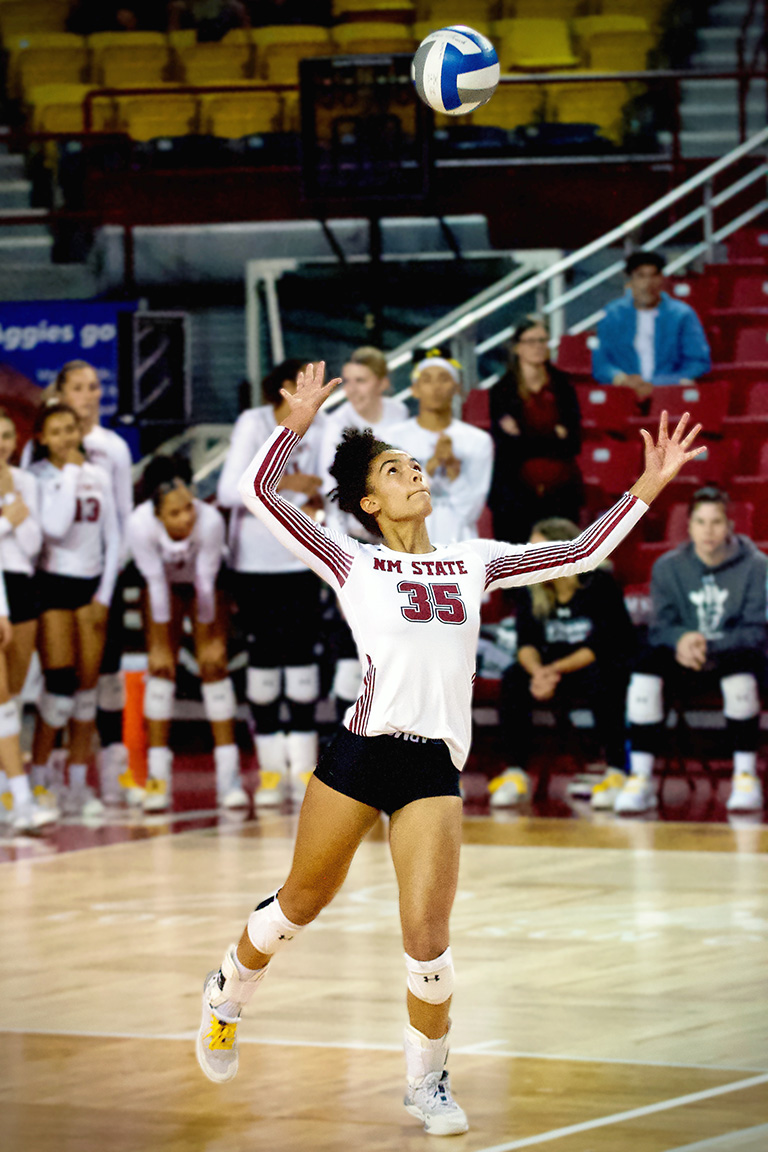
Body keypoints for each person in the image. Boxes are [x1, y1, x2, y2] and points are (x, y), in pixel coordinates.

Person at [195, 361, 703, 1136]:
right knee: (301, 902)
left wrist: (649, 484)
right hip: (361, 751)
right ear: (370, 502)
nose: (414, 474)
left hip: (432, 763)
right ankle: (228, 992)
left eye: (417, 465)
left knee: (427, 940)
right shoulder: (353, 560)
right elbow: (259, 496)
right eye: (397, 470)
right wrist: (291, 426)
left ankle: (425, 1084)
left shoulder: (473, 559)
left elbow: (583, 553)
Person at [615, 485, 767, 816]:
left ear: (730, 526)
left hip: (731, 653)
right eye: (701, 522)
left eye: (716, 522)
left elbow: (757, 631)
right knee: (644, 668)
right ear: (689, 527)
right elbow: (660, 628)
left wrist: (708, 645)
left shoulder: (757, 566)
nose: (708, 531)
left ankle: (745, 776)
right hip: (683, 656)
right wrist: (682, 640)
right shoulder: (667, 567)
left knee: (743, 670)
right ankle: (640, 779)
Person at [24, 362, 136, 806]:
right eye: (78, 388)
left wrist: (104, 595)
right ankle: (38, 777)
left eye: (94, 388)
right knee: (58, 689)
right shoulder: (39, 473)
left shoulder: (104, 466)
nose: (69, 437)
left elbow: (115, 530)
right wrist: (71, 471)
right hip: (52, 585)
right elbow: (49, 530)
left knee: (89, 692)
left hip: (94, 588)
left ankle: (77, 781)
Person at [217, 360, 325, 808]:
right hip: (255, 562)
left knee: (301, 668)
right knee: (262, 666)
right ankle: (267, 771)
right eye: (297, 388)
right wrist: (289, 479)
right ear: (278, 391)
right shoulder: (252, 423)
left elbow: (329, 488)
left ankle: (303, 770)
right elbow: (228, 492)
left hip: (300, 559)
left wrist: (317, 495)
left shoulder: (322, 427)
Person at [489, 517, 636, 810]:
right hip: (550, 668)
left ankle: (617, 770)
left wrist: (553, 671)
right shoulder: (530, 587)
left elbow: (602, 645)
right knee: (513, 679)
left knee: (605, 678)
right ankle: (516, 772)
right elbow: (525, 643)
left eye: (540, 550)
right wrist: (538, 673)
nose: (532, 558)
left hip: (593, 663)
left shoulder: (599, 582)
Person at [128, 455, 247, 813]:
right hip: (162, 586)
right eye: (174, 512)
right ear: (156, 511)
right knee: (161, 669)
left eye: (188, 507)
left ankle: (230, 779)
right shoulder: (139, 525)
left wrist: (209, 642)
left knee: (213, 665)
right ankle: (157, 780)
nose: (185, 518)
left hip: (204, 585)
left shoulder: (208, 521)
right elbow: (155, 585)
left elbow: (206, 584)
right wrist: (162, 645)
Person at [319, 346, 409, 718]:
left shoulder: (400, 414)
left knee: (397, 643)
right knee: (352, 642)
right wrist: (341, 558)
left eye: (362, 381)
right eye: (349, 381)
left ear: (383, 383)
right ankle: (342, 747)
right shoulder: (335, 423)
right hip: (356, 545)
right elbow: (330, 494)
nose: (353, 389)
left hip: (396, 544)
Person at [488, 315, 583, 545]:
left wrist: (524, 434)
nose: (539, 347)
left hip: (561, 492)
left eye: (543, 340)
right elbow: (509, 449)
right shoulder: (501, 391)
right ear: (518, 346)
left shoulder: (563, 386)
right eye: (531, 341)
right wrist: (553, 434)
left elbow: (574, 442)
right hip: (515, 494)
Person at [387, 347, 493, 544]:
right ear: (414, 389)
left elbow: (470, 512)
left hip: (460, 545)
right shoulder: (394, 438)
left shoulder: (477, 440)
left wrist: (453, 470)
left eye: (444, 379)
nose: (436, 387)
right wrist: (432, 467)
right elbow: (394, 504)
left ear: (456, 387)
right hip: (407, 545)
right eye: (427, 380)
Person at [0, 410, 49, 832]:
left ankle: (9, 794)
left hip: (19, 586)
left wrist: (15, 503)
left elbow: (32, 544)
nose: (1, 444)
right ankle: (17, 798)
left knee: (11, 694)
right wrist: (4, 521)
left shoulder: (26, 482)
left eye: (6, 435)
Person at [591, 249, 712, 400]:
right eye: (641, 276)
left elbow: (698, 361)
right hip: (624, 394)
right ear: (630, 281)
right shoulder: (612, 315)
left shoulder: (682, 315)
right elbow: (601, 364)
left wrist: (660, 384)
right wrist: (622, 379)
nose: (647, 283)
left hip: (669, 394)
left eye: (653, 275)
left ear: (662, 279)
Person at [167, 0, 250, 39]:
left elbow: (239, 8)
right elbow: (176, 6)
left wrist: (247, 33)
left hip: (218, 26)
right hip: (201, 28)